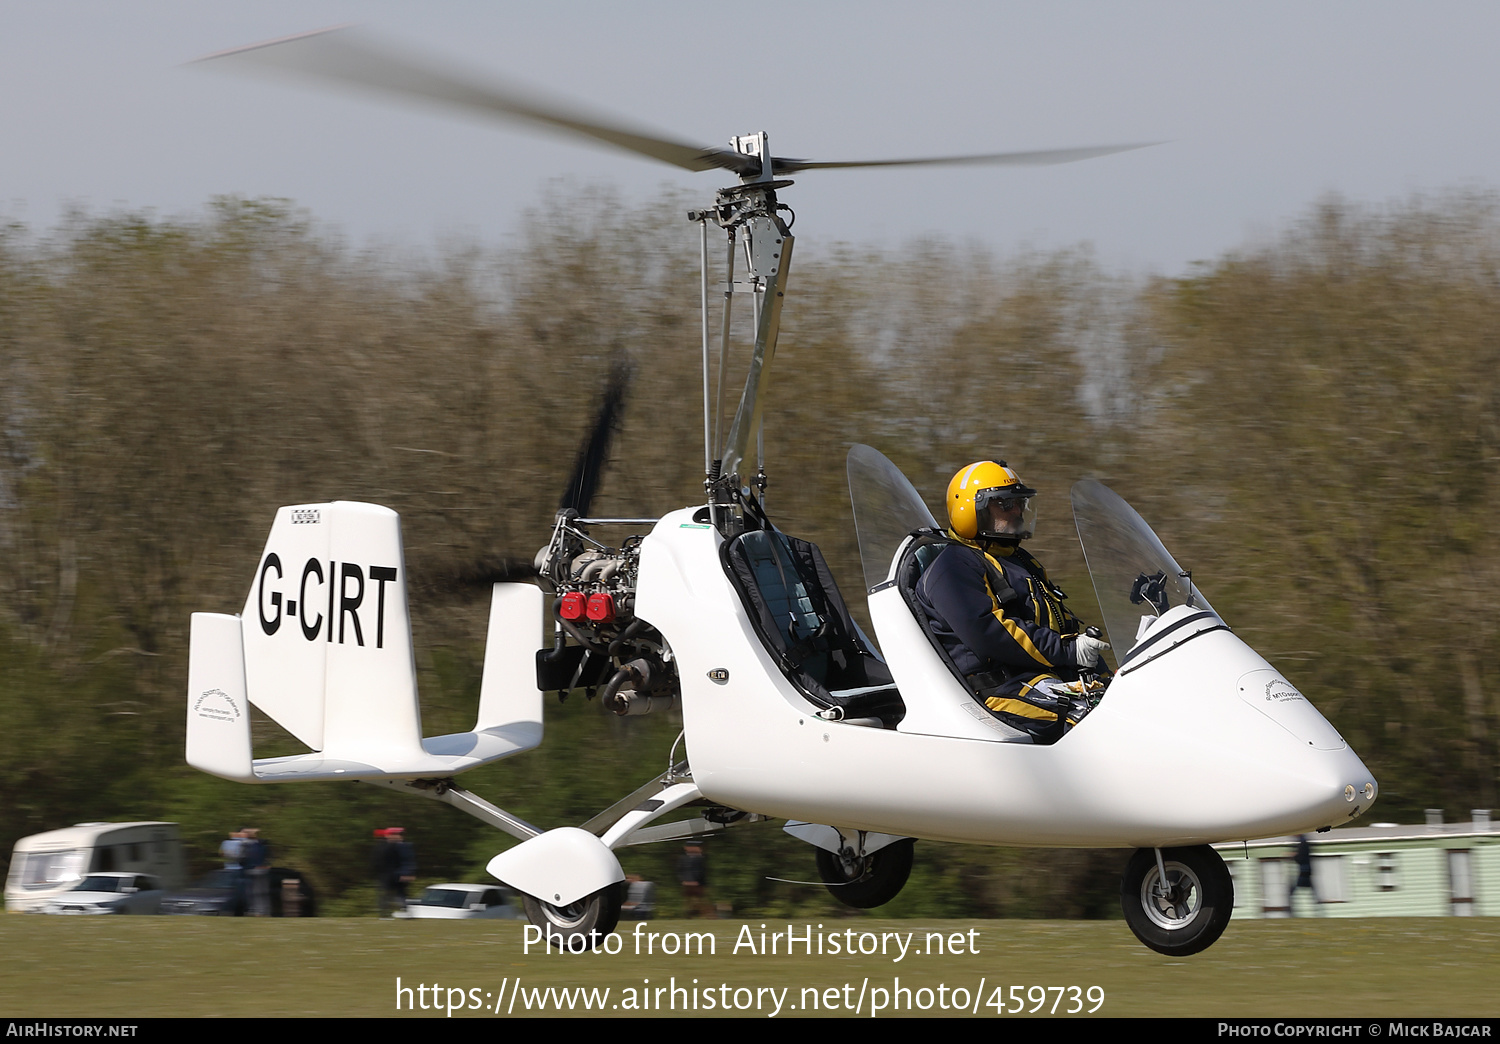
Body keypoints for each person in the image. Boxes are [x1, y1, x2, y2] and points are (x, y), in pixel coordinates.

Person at [915, 459, 1110, 743]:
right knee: (1093, 724)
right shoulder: (954, 566)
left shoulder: (1018, 559)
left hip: (1041, 679)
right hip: (999, 690)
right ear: (972, 510)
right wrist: (1069, 651)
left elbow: (1055, 619)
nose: (1017, 511)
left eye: (1019, 503)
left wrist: (1099, 668)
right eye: (1004, 505)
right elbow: (989, 632)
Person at [372, 827, 417, 917]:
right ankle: (386, 913)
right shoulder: (386, 846)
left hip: (398, 875)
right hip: (388, 875)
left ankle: (404, 911)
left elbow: (407, 861)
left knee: (400, 894)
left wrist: (407, 873)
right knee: (388, 894)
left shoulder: (403, 846)